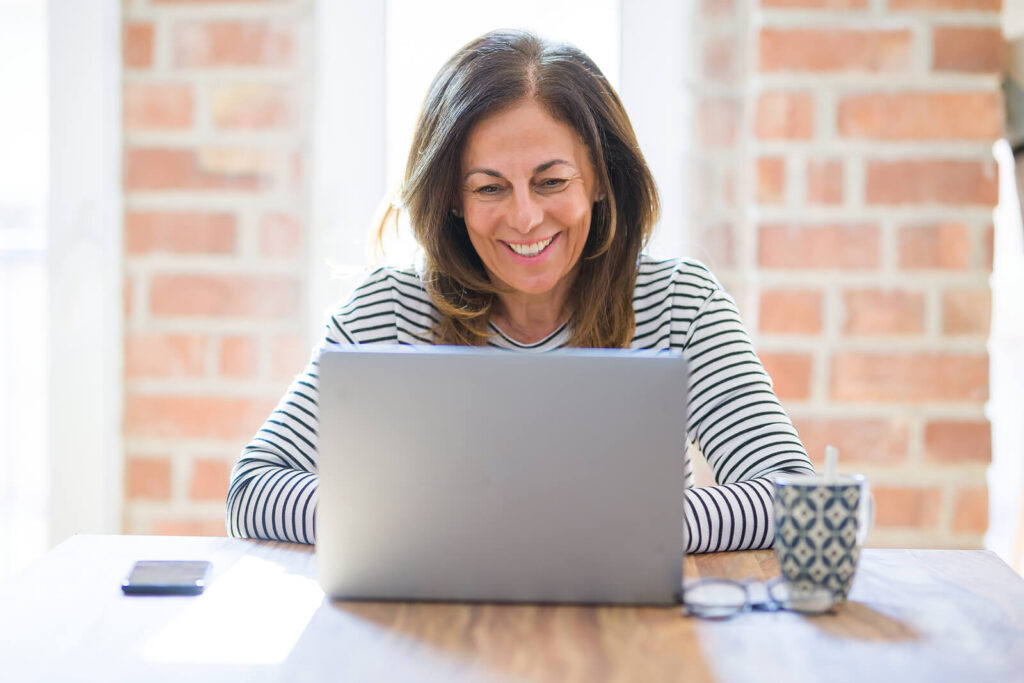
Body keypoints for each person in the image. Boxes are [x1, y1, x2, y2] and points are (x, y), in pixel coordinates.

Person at [227, 29, 815, 553]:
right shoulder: (384, 313)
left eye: (551, 181)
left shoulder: (680, 304)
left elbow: (795, 498)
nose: (526, 218)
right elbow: (253, 491)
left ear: (601, 181)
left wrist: (623, 524)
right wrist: (432, 521)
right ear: (452, 197)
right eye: (489, 188)